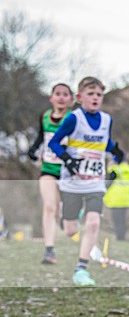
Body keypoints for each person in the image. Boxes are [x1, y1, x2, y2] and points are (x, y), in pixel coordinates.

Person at [47, 76, 124, 286]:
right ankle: (69, 215)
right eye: (90, 94)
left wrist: (115, 150)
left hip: (95, 182)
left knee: (93, 223)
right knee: (71, 230)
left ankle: (81, 270)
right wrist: (67, 159)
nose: (95, 98)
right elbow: (54, 143)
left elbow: (104, 141)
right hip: (72, 182)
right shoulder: (74, 119)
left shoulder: (106, 120)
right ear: (80, 97)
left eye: (99, 94)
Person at [26, 83, 75, 264]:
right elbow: (41, 136)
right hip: (48, 168)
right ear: (51, 97)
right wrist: (33, 150)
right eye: (58, 94)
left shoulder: (73, 118)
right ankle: (49, 250)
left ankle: (66, 216)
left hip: (68, 171)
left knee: (67, 222)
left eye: (65, 94)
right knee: (49, 206)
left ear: (71, 100)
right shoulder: (45, 116)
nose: (61, 97)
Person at [104, 153, 129, 241]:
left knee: (116, 220)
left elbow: (108, 183)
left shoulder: (116, 170)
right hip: (125, 199)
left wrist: (110, 166)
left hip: (116, 199)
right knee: (122, 220)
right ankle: (122, 238)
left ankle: (119, 238)